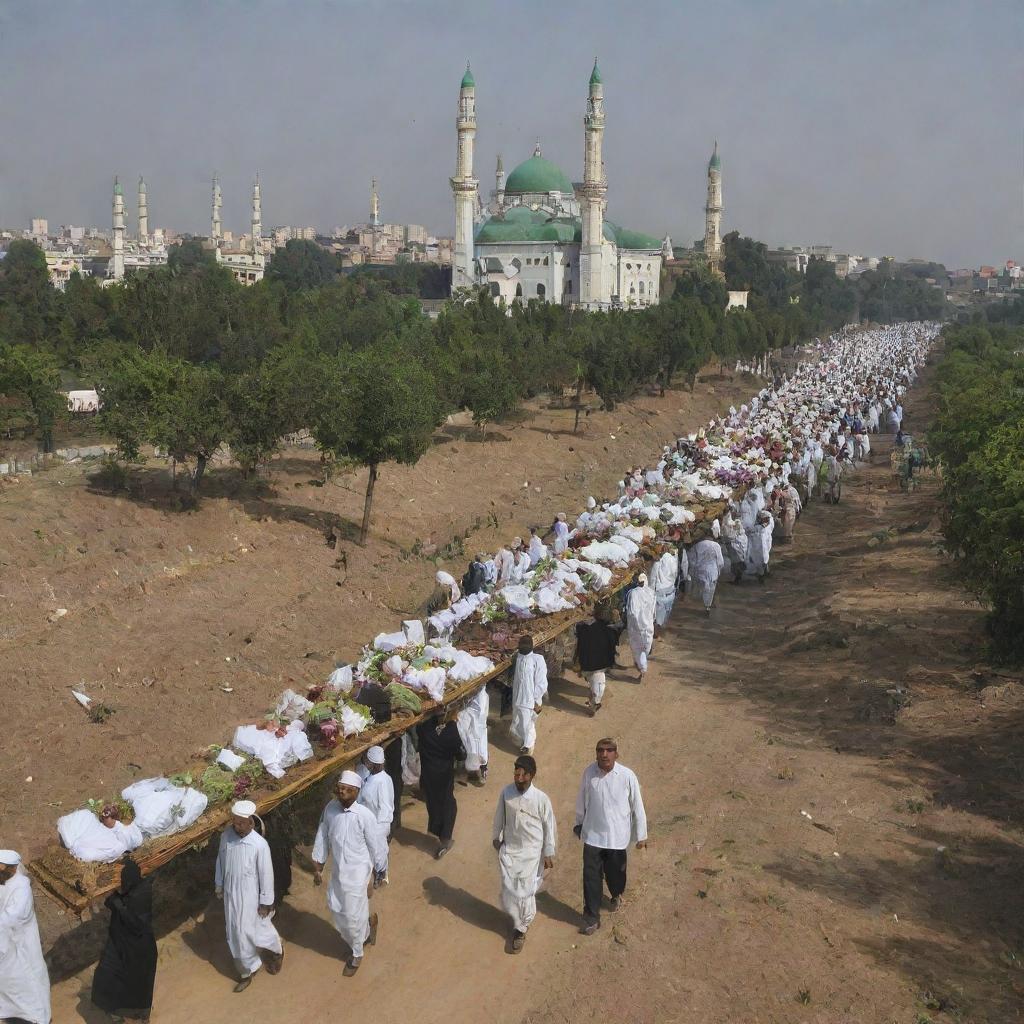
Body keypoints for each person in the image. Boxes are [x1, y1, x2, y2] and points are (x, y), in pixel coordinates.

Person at [312, 771, 386, 977]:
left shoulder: (365, 816)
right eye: (340, 788)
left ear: (356, 792)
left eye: (348, 790)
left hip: (359, 874)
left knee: (353, 915)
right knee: (336, 908)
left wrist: (377, 873)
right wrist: (318, 865)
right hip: (338, 872)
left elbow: (376, 846)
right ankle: (367, 927)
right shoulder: (330, 810)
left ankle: (357, 954)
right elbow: (322, 836)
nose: (342, 792)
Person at [573, 740, 648, 936]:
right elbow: (582, 799)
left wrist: (641, 835)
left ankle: (616, 894)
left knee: (616, 875)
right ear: (596, 754)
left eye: (609, 751)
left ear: (616, 754)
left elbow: (636, 805)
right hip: (593, 835)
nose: (604, 754)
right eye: (600, 751)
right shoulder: (589, 773)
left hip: (617, 837)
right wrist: (579, 823)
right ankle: (591, 917)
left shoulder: (626, 776)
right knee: (590, 877)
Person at [214, 801, 284, 992]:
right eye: (235, 822)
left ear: (251, 823)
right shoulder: (226, 837)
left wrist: (266, 902)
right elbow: (220, 861)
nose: (237, 826)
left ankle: (276, 950)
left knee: (252, 931)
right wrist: (219, 884)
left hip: (250, 896)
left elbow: (266, 874)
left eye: (241, 823)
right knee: (234, 933)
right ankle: (246, 971)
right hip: (231, 895)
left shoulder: (259, 845)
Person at [491, 756, 557, 953]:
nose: (519, 779)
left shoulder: (541, 799)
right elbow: (499, 817)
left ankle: (521, 928)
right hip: (511, 849)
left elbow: (548, 826)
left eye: (523, 775)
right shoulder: (506, 793)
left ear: (532, 775)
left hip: (532, 851)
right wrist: (496, 837)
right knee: (511, 888)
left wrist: (548, 852)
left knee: (526, 890)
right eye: (516, 774)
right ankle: (517, 918)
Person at [91, 858, 157, 1023]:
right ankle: (117, 1013)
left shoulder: (142, 893)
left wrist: (117, 903)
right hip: (123, 946)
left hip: (138, 950)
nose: (123, 883)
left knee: (138, 985)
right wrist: (113, 900)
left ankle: (139, 1016)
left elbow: (135, 923)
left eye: (124, 880)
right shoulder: (134, 889)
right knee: (107, 975)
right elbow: (117, 904)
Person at [0, 849, 51, 1024]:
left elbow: (13, 917)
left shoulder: (21, 886)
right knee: (11, 984)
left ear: (11, 868)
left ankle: (39, 1018)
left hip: (22, 945)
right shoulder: (3, 882)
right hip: (8, 945)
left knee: (30, 983)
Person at [416, 713, 466, 859]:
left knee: (433, 803)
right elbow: (461, 755)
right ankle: (445, 839)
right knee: (448, 805)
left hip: (428, 775)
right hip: (444, 775)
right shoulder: (451, 731)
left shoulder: (424, 729)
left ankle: (436, 830)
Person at [357, 746, 395, 887]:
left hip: (379, 822)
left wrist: (379, 828)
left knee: (379, 850)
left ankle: (382, 873)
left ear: (373, 763)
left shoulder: (383, 781)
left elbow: (385, 807)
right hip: (368, 819)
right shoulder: (369, 777)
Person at [574, 608, 619, 715]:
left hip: (588, 663)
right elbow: (612, 644)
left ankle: (594, 703)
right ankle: (594, 703)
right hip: (599, 663)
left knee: (594, 685)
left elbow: (578, 646)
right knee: (596, 686)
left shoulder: (580, 628)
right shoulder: (605, 628)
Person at [510, 634, 548, 754]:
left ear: (532, 646)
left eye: (527, 644)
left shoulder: (538, 659)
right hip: (517, 698)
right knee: (519, 722)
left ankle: (528, 747)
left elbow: (541, 682)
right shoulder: (518, 657)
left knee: (528, 724)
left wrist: (536, 700)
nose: (524, 646)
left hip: (529, 700)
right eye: (522, 644)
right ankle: (522, 742)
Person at [625, 572, 656, 680]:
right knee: (645, 649)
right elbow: (653, 611)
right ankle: (641, 665)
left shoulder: (632, 593)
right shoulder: (652, 592)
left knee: (638, 649)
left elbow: (631, 612)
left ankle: (642, 668)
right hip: (648, 626)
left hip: (636, 627)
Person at [457, 683, 490, 785]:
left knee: (476, 743)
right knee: (473, 742)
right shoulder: (481, 695)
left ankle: (480, 771)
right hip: (472, 712)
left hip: (476, 712)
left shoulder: (482, 696)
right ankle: (474, 771)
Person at [691, 533, 725, 615]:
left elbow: (693, 559)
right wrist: (719, 569)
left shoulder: (698, 545)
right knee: (711, 587)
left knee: (704, 586)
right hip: (713, 569)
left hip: (701, 569)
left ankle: (705, 604)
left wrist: (694, 569)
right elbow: (720, 561)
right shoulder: (716, 545)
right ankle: (708, 605)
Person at [647, 550, 678, 632]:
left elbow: (653, 579)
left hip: (659, 592)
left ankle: (656, 628)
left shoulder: (657, 564)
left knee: (657, 613)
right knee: (665, 611)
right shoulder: (674, 562)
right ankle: (659, 626)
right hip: (670, 591)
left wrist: (650, 592)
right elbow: (675, 575)